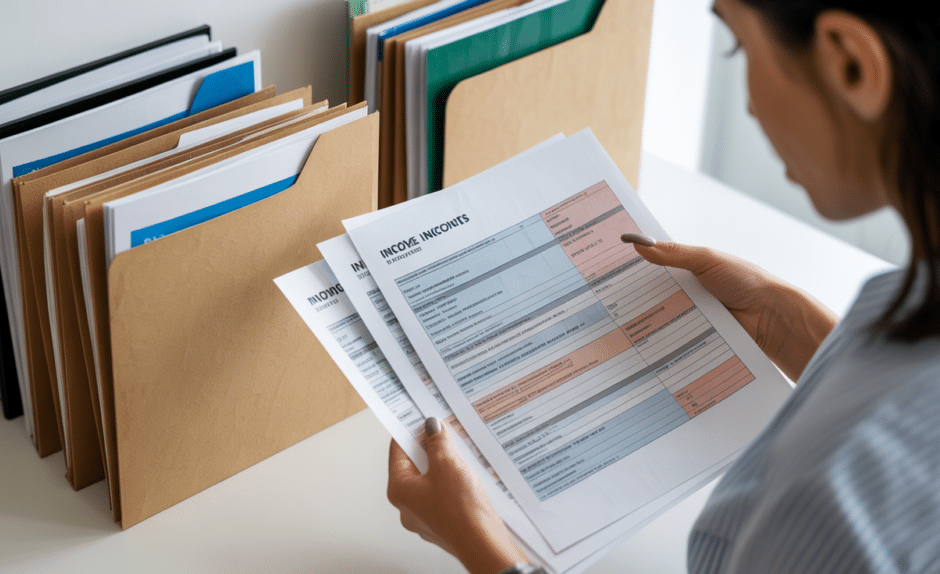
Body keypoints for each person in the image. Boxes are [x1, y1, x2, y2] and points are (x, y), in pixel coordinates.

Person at [385, 1, 940, 572]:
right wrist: (786, 324)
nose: (748, 105)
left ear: (851, 64)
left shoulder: (836, 509)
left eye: (740, 46)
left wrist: (478, 540)